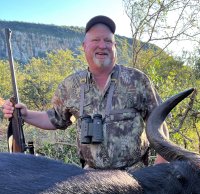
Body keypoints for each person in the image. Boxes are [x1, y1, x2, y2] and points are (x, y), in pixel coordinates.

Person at [2, 15, 168, 170]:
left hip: (134, 176)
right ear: (84, 46)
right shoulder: (70, 85)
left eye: (108, 41)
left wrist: (161, 165)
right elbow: (55, 119)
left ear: (115, 46)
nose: (102, 45)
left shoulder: (138, 80)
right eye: (95, 40)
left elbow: (159, 121)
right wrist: (25, 114)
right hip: (90, 180)